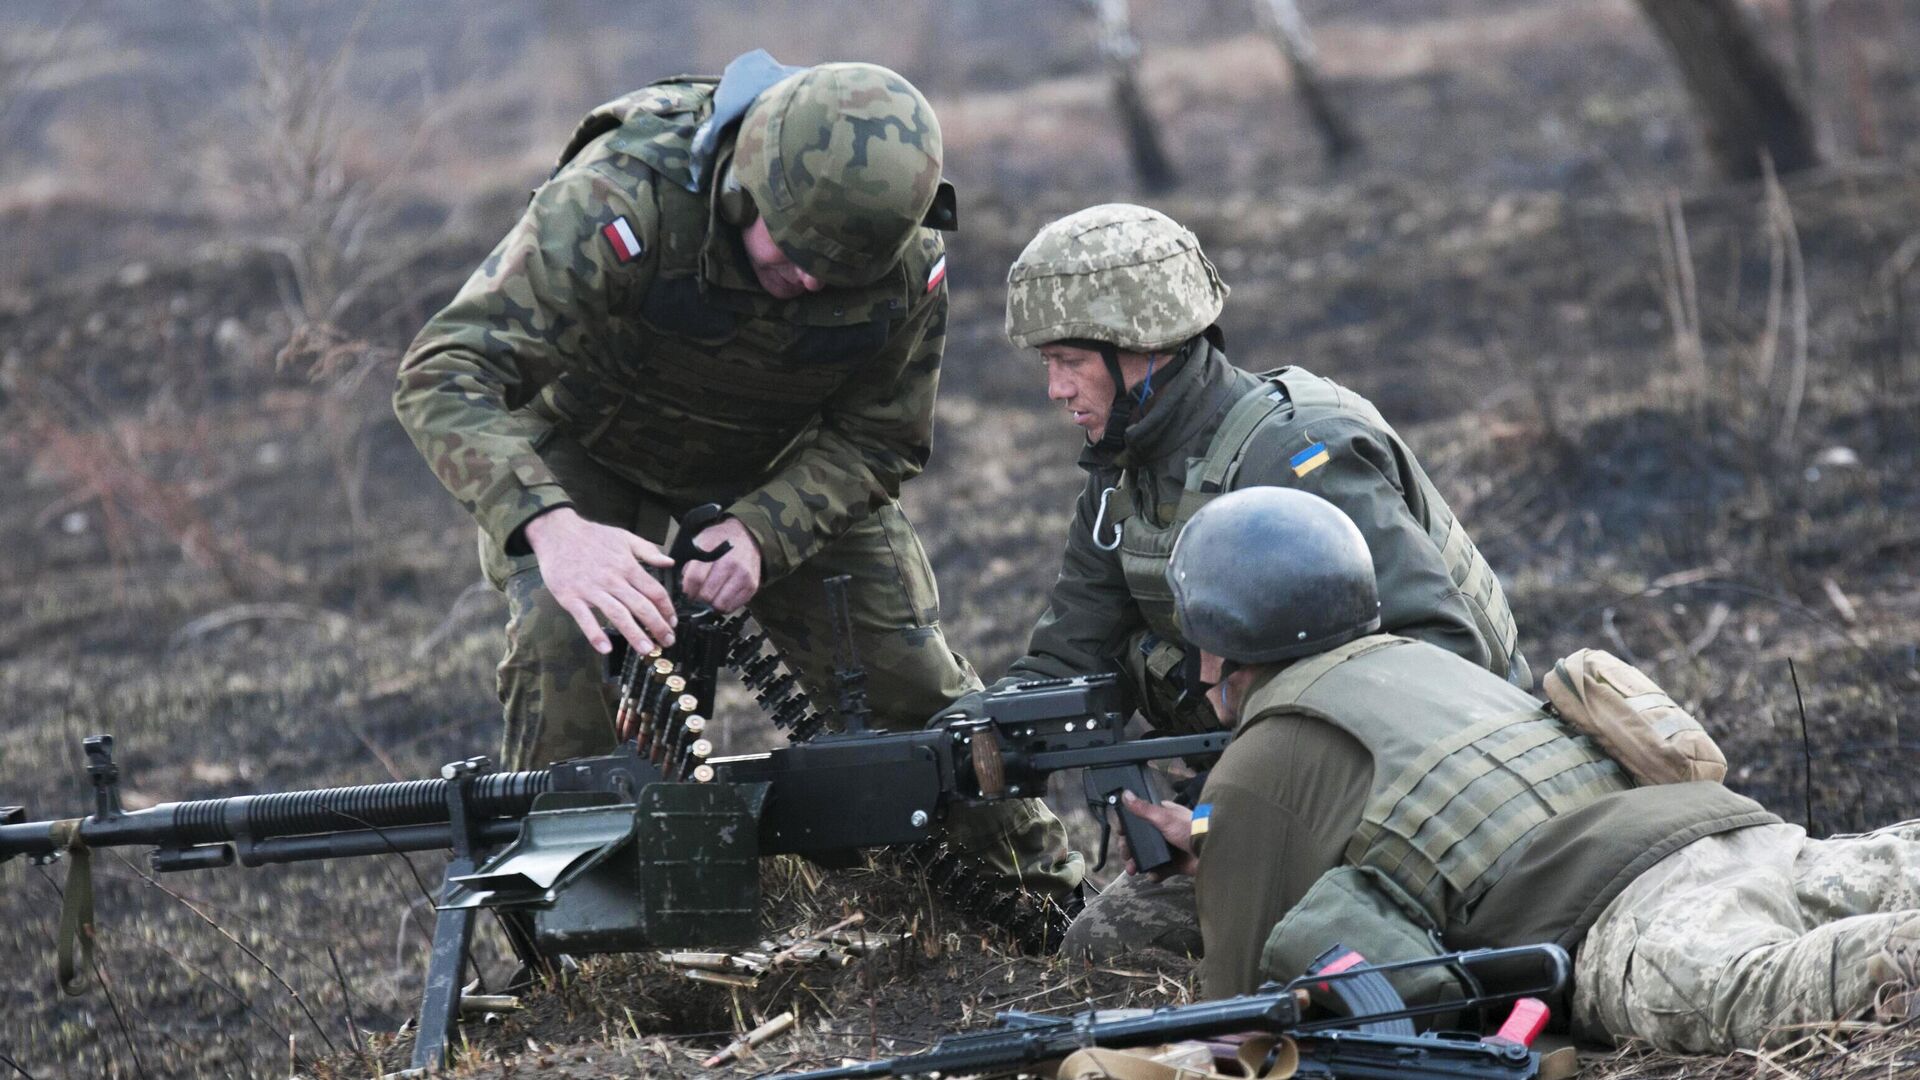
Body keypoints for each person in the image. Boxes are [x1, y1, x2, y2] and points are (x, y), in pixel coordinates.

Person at [393, 50, 1080, 900]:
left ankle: (1041, 897)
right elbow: (443, 372)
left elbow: (881, 438)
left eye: (836, 277)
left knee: (908, 672)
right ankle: (576, 944)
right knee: (565, 649)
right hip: (592, 444)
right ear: (744, 189)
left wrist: (765, 529)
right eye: (793, 257)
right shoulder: (624, 195)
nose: (809, 284)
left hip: (779, 459)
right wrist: (555, 531)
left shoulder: (904, 260)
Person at [1104, 485, 1920, 1053]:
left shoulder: (1255, 761)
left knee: (1814, 984)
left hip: (1613, 920)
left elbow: (1244, 1018)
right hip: (1727, 834)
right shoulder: (1423, 661)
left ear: (1223, 639)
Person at [987, 203, 1527, 955]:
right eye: (1046, 363)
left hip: (1428, 796)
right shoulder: (1125, 477)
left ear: (1142, 345)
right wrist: (980, 729)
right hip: (1280, 789)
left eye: (1069, 361)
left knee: (1120, 954)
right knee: (1103, 945)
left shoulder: (1294, 455)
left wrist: (1222, 823)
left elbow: (1439, 661)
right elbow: (1071, 648)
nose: (1054, 389)